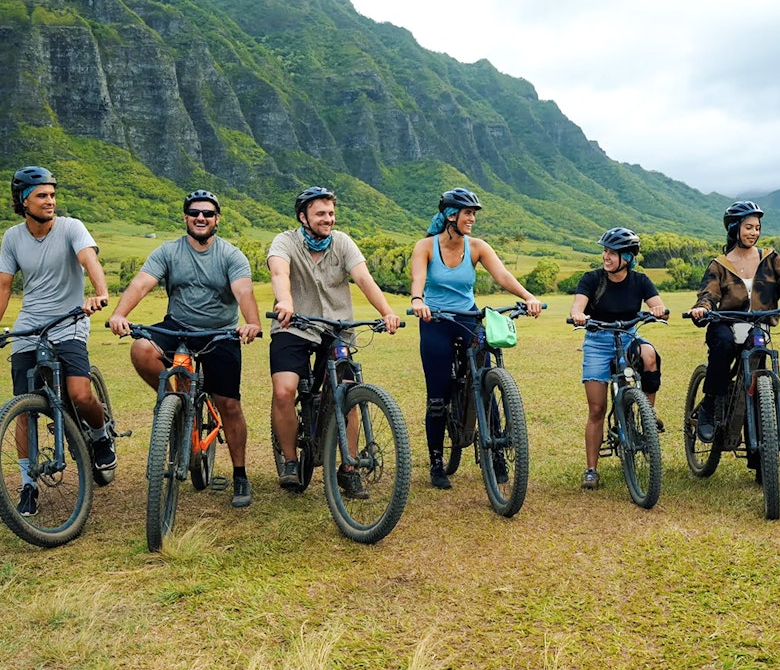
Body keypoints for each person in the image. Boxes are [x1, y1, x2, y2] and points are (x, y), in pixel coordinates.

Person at [108, 190, 262, 508]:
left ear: (217, 219)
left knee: (229, 405)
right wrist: (120, 313)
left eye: (207, 213)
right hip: (177, 328)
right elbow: (141, 283)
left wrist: (251, 321)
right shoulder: (168, 251)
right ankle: (176, 404)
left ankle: (240, 474)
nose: (200, 217)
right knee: (141, 349)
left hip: (219, 334)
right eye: (194, 213)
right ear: (185, 218)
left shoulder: (231, 255)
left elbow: (243, 290)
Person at [0, 166, 113, 516]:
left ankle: (100, 435)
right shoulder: (12, 237)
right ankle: (28, 484)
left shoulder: (71, 227)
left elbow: (89, 259)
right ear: (23, 201)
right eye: (42, 195)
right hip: (30, 324)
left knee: (80, 393)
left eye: (52, 194)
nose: (50, 201)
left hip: (69, 321)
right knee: (24, 407)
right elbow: (3, 285)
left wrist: (100, 293)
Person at [267, 186, 401, 499]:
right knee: (284, 390)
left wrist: (387, 312)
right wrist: (285, 302)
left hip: (337, 327)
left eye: (330, 213)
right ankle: (288, 459)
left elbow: (364, 278)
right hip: (294, 326)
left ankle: (348, 469)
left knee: (348, 392)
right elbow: (279, 273)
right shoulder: (284, 241)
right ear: (303, 217)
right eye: (320, 214)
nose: (328, 219)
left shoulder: (342, 242)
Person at [409, 188, 543, 490]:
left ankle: (495, 453)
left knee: (484, 382)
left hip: (468, 318)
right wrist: (418, 300)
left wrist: (527, 296)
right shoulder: (426, 247)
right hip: (436, 320)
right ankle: (436, 462)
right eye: (467, 213)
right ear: (450, 215)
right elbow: (418, 278)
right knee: (438, 396)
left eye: (473, 214)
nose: (472, 219)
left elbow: (503, 276)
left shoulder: (478, 246)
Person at [685, 201, 780, 445]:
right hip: (727, 323)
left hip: (759, 324)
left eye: (757, 228)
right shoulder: (719, 264)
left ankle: (761, 455)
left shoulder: (771, 258)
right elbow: (708, 293)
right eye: (748, 227)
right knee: (722, 345)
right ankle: (710, 404)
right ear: (734, 229)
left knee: (758, 375)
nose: (754, 233)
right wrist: (702, 308)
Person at [568, 228, 667, 490]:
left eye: (612, 253)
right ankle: (591, 470)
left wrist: (658, 309)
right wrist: (579, 314)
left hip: (627, 337)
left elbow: (658, 305)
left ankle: (648, 414)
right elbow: (578, 305)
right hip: (598, 342)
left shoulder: (640, 281)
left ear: (628, 257)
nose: (606, 256)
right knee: (597, 409)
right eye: (605, 251)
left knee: (649, 355)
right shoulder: (592, 279)